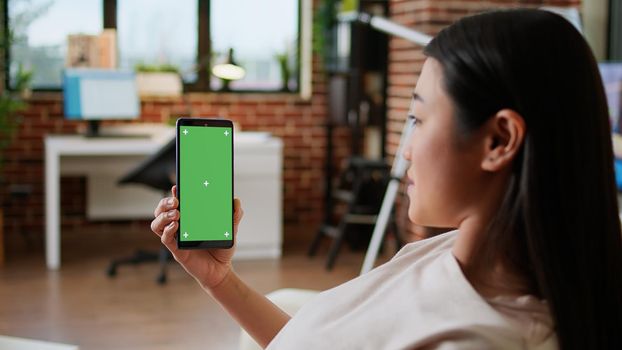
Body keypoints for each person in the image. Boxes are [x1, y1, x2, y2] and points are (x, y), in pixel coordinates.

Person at [151, 8, 622, 349]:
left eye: (417, 119)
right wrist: (219, 281)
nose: (406, 148)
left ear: (499, 141)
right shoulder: (454, 250)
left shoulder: (474, 337)